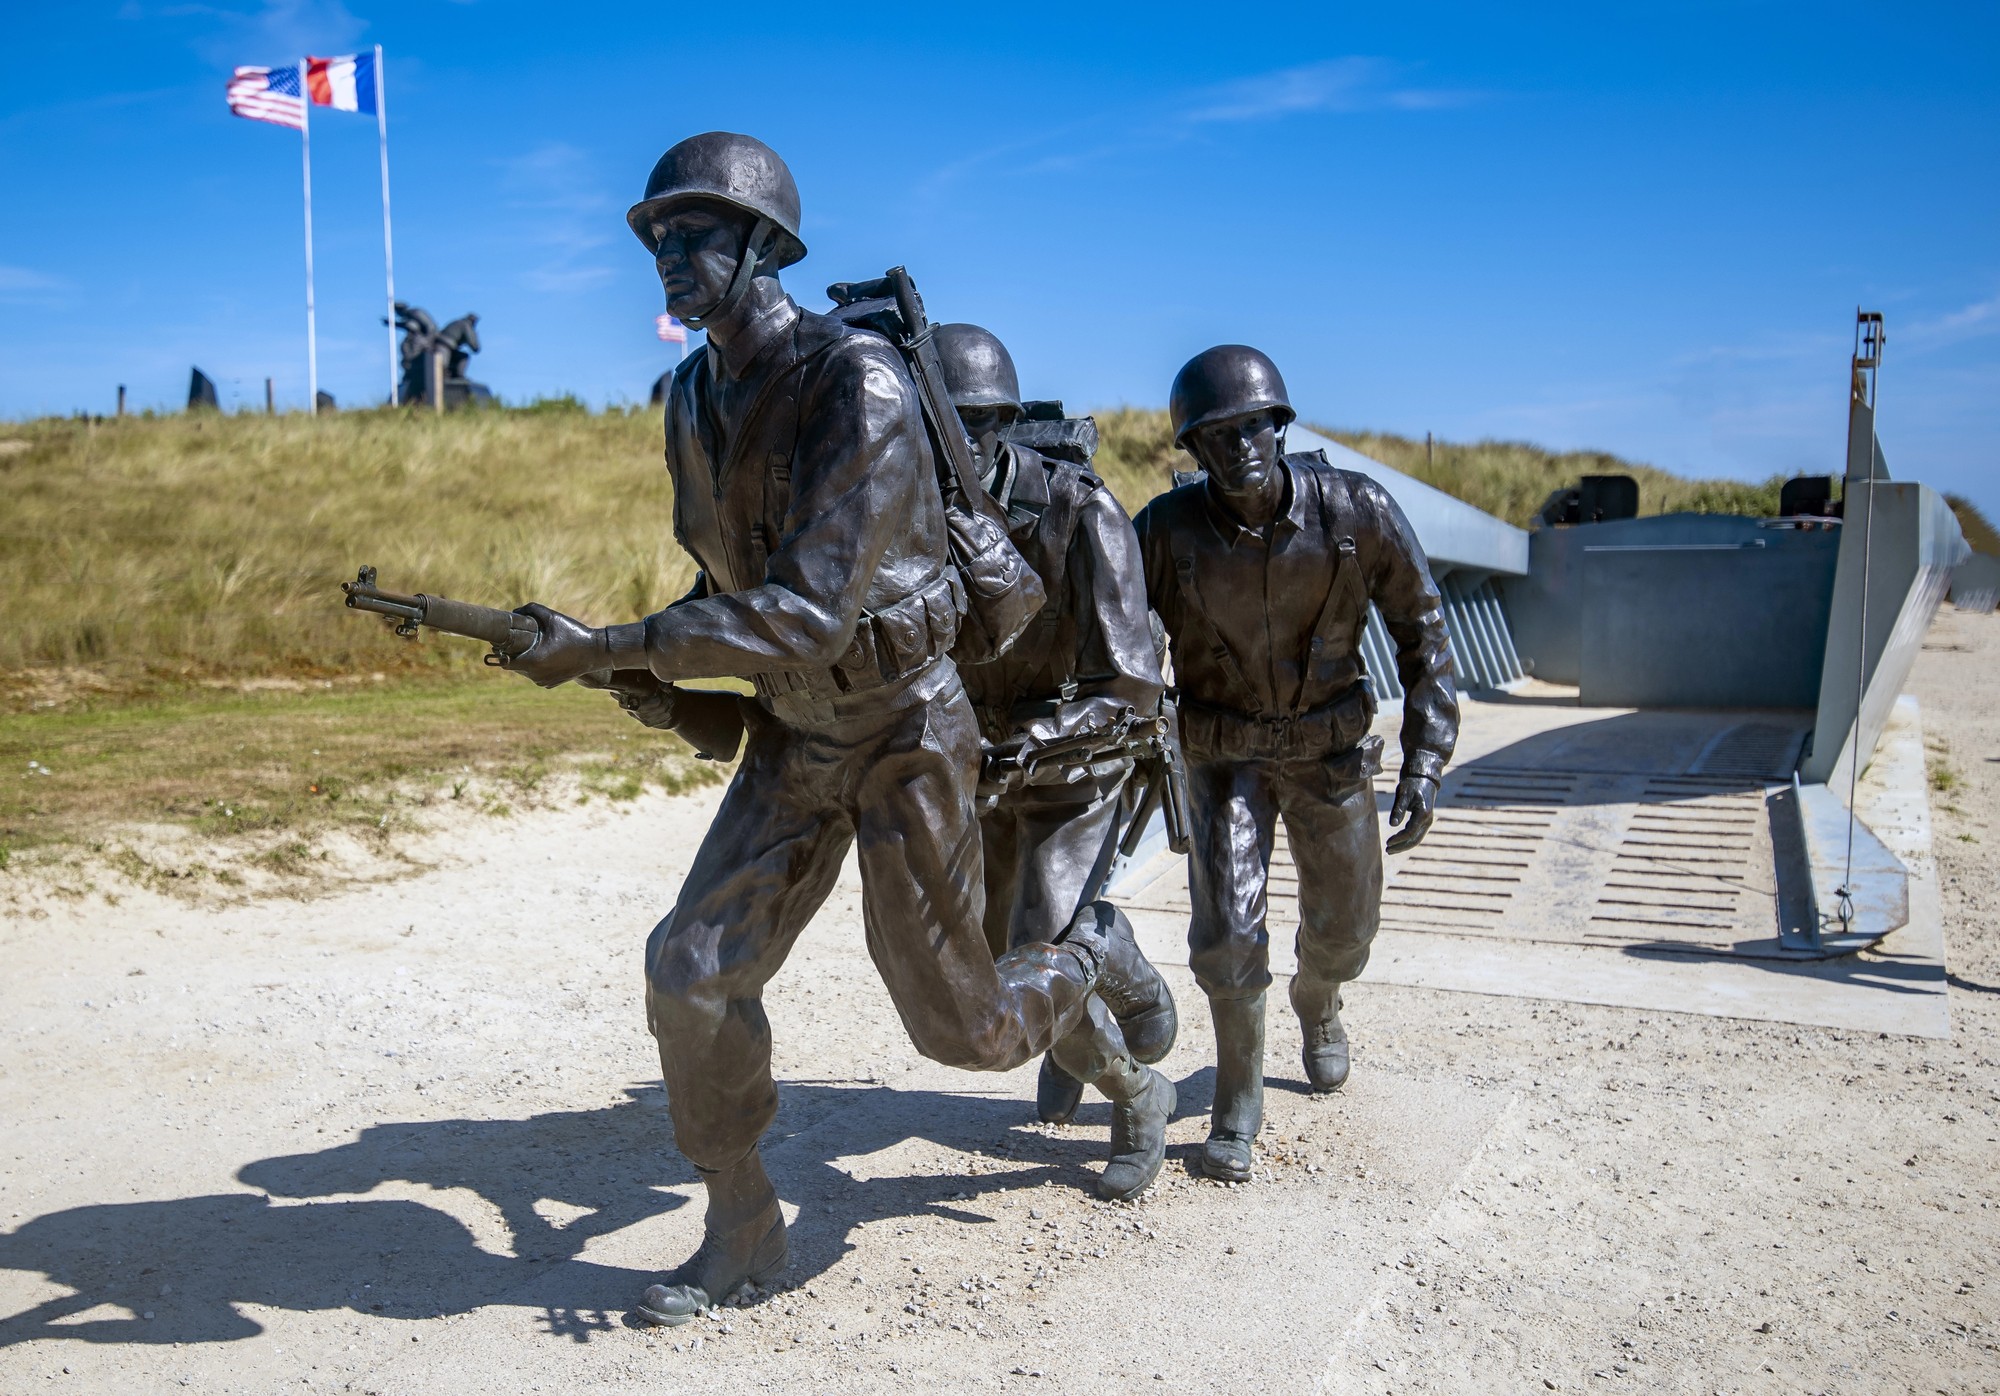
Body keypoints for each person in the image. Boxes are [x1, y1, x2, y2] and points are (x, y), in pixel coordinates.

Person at [494, 132, 1169, 1323]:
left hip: (907, 730)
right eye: (656, 234)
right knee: (688, 969)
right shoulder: (692, 398)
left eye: (693, 231)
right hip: (796, 738)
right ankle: (744, 1222)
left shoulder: (856, 382)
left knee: (961, 1032)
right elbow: (723, 590)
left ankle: (1080, 955)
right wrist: (653, 680)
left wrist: (608, 642)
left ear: (762, 245)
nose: (667, 253)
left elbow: (806, 608)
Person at [1133, 345, 1458, 1183]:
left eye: (1253, 427)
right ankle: (1239, 1093)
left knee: (1348, 929)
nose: (1240, 446)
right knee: (1228, 937)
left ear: (1280, 426)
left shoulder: (1358, 513)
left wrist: (1425, 760)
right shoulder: (1165, 536)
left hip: (1330, 754)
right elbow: (1115, 639)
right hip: (1225, 759)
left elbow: (1424, 635)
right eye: (1216, 435)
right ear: (1192, 450)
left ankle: (1320, 1002)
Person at [936, 324, 1178, 1180]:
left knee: (1029, 962)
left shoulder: (1084, 510)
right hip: (978, 768)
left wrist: (1042, 736)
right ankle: (1103, 943)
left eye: (965, 424)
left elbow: (1132, 681)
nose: (944, 446)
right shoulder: (912, 515)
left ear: (1000, 422)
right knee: (993, 956)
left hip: (1076, 762)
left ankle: (1137, 1092)